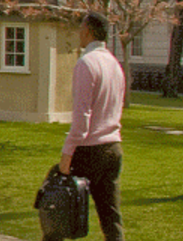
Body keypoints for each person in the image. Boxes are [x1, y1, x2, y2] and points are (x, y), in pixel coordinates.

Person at [63, 12, 126, 241]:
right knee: (110, 215)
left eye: (81, 27)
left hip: (89, 150)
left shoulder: (86, 64)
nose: (79, 32)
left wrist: (67, 154)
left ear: (88, 30)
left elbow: (81, 119)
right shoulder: (114, 64)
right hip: (112, 147)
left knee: (55, 203)